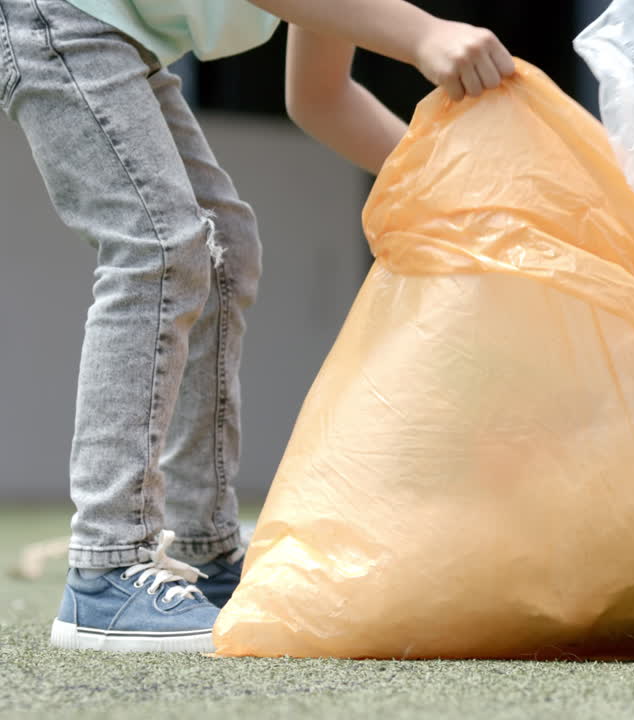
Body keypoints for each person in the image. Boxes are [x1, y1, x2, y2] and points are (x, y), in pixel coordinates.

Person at [0, 0, 514, 652]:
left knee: (223, 250)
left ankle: (204, 550)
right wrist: (423, 34)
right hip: (59, 15)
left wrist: (458, 191)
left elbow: (320, 97)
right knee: (159, 245)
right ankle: (106, 568)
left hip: (118, 38)